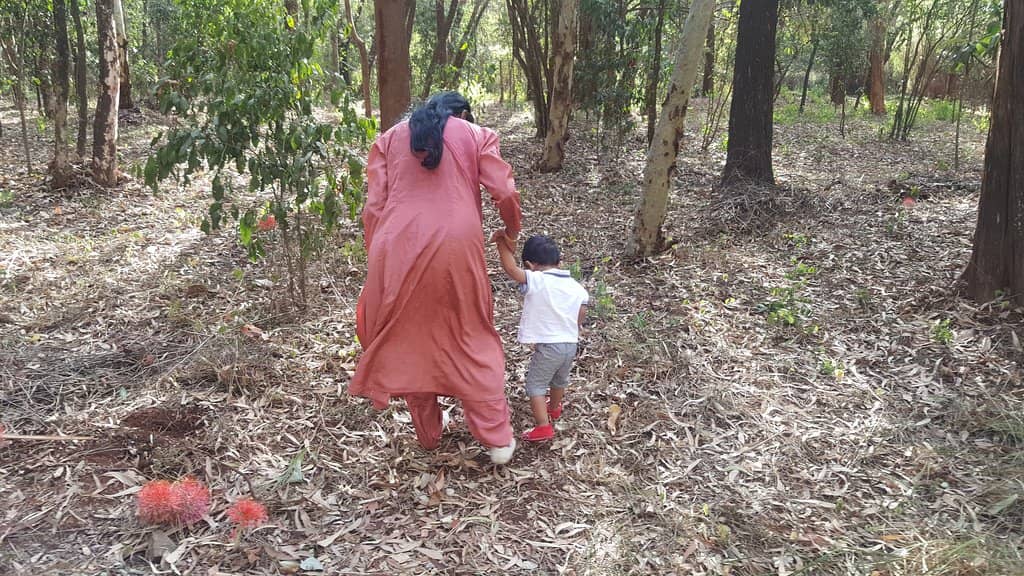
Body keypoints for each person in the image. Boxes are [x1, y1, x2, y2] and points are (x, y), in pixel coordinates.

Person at [349, 92, 521, 465]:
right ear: (461, 114)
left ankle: (428, 434)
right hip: (456, 247)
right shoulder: (476, 135)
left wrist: (377, 258)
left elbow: (374, 207)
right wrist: (511, 230)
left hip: (394, 245)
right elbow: (504, 191)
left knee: (408, 334)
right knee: (469, 331)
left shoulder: (389, 138)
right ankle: (496, 439)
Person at [491, 233, 588, 441]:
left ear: (530, 265)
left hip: (549, 347)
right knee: (559, 380)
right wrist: (573, 328)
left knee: (535, 386)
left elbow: (510, 270)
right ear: (559, 262)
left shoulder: (537, 279)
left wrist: (501, 245)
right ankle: (554, 408)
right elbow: (581, 314)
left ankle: (543, 426)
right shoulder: (577, 287)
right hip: (570, 344)